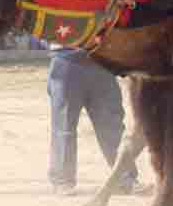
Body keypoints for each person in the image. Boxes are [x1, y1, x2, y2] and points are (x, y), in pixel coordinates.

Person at [47, 48, 143, 196]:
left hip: (102, 62)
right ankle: (62, 181)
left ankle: (125, 179)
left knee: (112, 126)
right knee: (64, 127)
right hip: (67, 61)